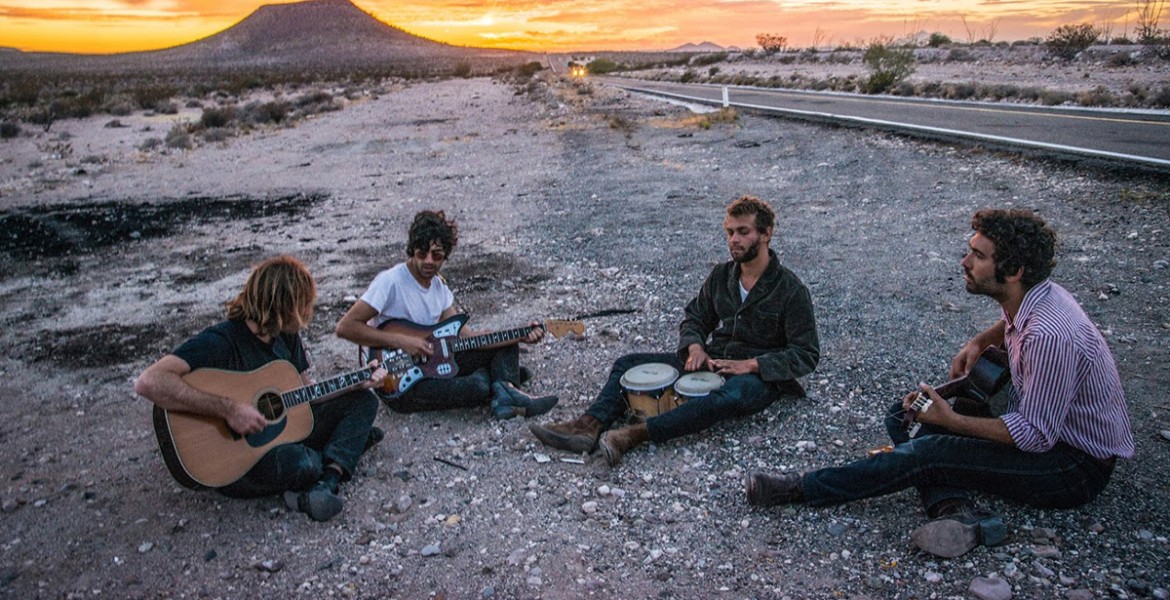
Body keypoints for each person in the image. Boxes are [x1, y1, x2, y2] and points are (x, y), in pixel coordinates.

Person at [747, 209, 1135, 558]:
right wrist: (981, 341)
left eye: (978, 256)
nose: (964, 262)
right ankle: (955, 510)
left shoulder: (1050, 336)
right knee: (904, 417)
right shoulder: (1036, 294)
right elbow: (1012, 322)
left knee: (928, 449)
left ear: (1014, 271)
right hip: (1048, 435)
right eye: (970, 250)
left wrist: (952, 421)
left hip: (1072, 469)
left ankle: (799, 488)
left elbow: (1036, 435)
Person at [529, 195, 820, 466]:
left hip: (760, 376)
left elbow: (806, 354)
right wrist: (695, 347)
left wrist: (753, 364)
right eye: (730, 232)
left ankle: (633, 435)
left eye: (743, 232)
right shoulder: (721, 276)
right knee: (627, 363)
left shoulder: (791, 290)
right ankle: (588, 426)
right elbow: (696, 317)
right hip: (716, 359)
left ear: (766, 234)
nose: (734, 240)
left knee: (727, 398)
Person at [135, 255, 386, 522]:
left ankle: (328, 479)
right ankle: (341, 454)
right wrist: (229, 409)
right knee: (303, 463)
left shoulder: (286, 335)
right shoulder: (221, 341)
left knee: (364, 401)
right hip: (235, 460)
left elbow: (306, 394)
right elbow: (149, 382)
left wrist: (355, 383)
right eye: (302, 305)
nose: (307, 312)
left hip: (282, 435)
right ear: (284, 305)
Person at [336, 209, 558, 419]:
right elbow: (346, 327)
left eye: (437, 255)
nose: (429, 261)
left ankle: (507, 391)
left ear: (446, 255)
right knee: (477, 387)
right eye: (422, 254)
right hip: (399, 383)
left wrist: (521, 335)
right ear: (412, 250)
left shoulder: (439, 289)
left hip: (434, 361)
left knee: (506, 344)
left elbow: (465, 337)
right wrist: (401, 341)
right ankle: (502, 380)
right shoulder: (390, 282)